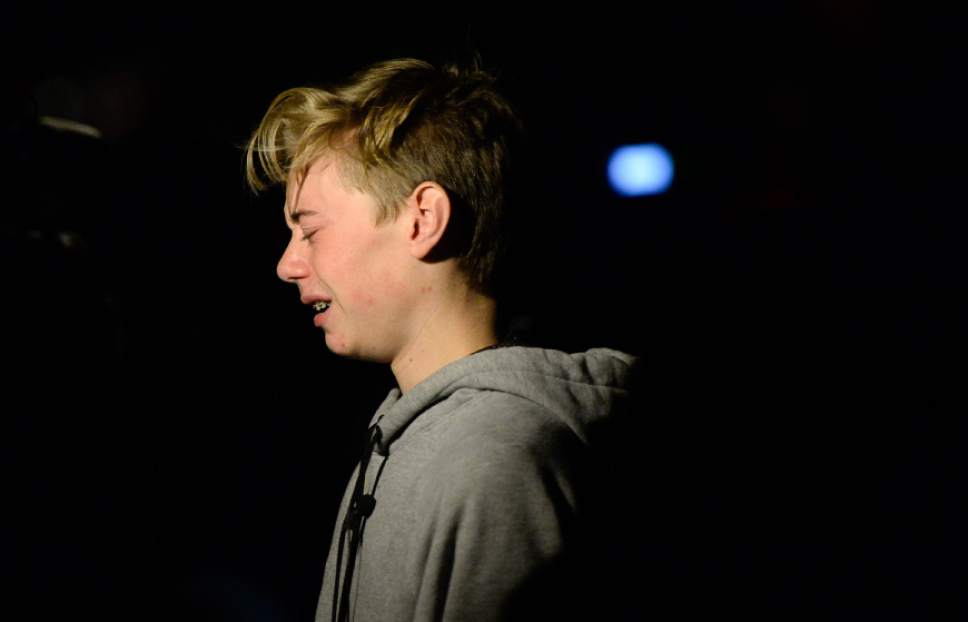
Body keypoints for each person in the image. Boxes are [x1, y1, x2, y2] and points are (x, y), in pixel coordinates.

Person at [244, 57, 639, 622]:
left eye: (310, 229)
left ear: (423, 218)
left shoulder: (497, 460)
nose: (288, 264)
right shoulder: (400, 438)